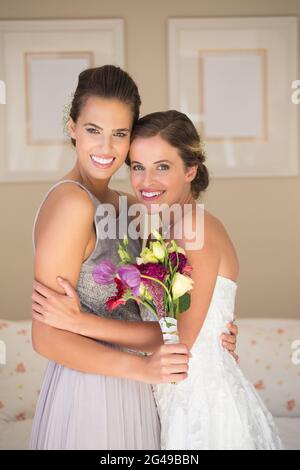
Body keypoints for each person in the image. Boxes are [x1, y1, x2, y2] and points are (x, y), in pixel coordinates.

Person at [33, 109, 283, 450]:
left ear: (190, 170)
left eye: (162, 167)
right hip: (172, 397)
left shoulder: (195, 226)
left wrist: (79, 322)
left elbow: (176, 338)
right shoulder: (164, 228)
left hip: (202, 406)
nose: (146, 181)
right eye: (138, 166)